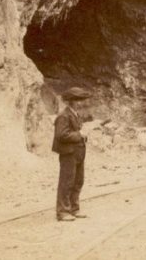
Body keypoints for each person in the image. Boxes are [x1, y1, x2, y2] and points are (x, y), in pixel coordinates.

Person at [52, 87, 91, 222]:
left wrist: (82, 136)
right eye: (79, 100)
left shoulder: (75, 114)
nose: (82, 103)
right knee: (67, 182)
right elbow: (61, 135)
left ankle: (74, 208)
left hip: (78, 152)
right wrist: (80, 134)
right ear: (71, 101)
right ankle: (63, 212)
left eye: (82, 100)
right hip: (68, 153)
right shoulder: (63, 116)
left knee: (78, 181)